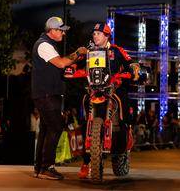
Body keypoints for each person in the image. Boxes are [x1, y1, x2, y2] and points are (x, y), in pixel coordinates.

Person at [66, 22, 140, 180]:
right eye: (94, 34)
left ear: (107, 36)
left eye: (98, 33)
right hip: (93, 90)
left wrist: (134, 69)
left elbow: (130, 63)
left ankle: (126, 131)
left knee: (123, 100)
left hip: (113, 88)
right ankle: (86, 163)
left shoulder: (116, 50)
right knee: (84, 109)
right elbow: (76, 64)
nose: (95, 36)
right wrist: (72, 67)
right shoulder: (89, 51)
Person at [31, 16, 88, 180]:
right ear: (52, 30)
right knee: (56, 127)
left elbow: (62, 65)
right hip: (46, 94)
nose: (63, 33)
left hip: (47, 94)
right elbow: (62, 63)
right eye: (61, 30)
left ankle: (40, 167)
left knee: (46, 129)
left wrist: (75, 59)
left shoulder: (47, 44)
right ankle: (47, 167)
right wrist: (77, 53)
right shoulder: (44, 45)